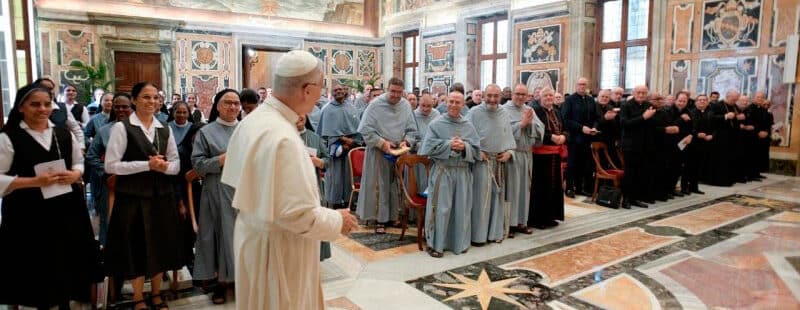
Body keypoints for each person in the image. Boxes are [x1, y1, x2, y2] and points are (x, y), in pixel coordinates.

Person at [220, 50, 358, 310]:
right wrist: (338, 220)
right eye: (321, 85)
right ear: (307, 89)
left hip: (255, 239)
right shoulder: (283, 137)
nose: (321, 93)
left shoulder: (254, 120)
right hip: (280, 252)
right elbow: (296, 215)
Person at [0, 84, 102, 309]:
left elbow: (78, 161)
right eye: (35, 104)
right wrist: (34, 182)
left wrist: (75, 173)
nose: (42, 109)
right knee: (36, 262)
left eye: (47, 104)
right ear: (21, 107)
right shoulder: (9, 138)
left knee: (64, 259)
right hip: (27, 212)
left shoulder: (62, 133)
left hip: (65, 207)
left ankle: (63, 300)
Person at [104, 81, 184, 310]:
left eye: (155, 97)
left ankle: (157, 292)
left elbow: (176, 164)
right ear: (134, 100)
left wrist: (163, 168)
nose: (151, 102)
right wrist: (146, 165)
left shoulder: (164, 128)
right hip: (133, 198)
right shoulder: (123, 128)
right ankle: (138, 296)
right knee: (137, 247)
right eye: (146, 97)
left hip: (162, 196)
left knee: (161, 244)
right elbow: (111, 166)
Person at [191, 89, 241, 304]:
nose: (233, 107)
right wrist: (221, 160)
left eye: (236, 103)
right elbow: (198, 165)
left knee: (243, 238)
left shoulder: (246, 130)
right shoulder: (206, 132)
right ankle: (220, 284)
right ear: (217, 106)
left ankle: (242, 281)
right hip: (217, 191)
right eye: (227, 103)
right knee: (219, 236)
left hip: (245, 191)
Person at [418, 91, 480, 257]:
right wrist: (449, 145)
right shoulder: (436, 124)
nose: (453, 105)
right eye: (451, 101)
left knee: (461, 208)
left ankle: (458, 243)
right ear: (446, 103)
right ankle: (436, 244)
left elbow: (477, 151)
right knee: (441, 209)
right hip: (443, 171)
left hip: (462, 172)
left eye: (457, 102)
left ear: (463, 105)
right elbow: (427, 148)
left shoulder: (468, 125)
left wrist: (464, 147)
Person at [356, 77, 418, 234]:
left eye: (399, 92)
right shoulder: (375, 105)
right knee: (379, 185)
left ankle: (393, 216)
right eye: (393, 91)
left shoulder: (405, 105)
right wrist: (383, 144)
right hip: (379, 152)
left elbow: (412, 130)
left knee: (394, 186)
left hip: (398, 153)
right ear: (387, 89)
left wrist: (406, 142)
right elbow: (365, 130)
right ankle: (378, 219)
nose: (396, 95)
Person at [467, 84, 516, 244]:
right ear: (483, 95)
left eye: (496, 96)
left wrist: (509, 153)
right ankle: (478, 236)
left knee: (496, 199)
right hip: (481, 163)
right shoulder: (473, 113)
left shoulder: (504, 113)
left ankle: (494, 233)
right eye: (489, 95)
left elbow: (509, 138)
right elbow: (465, 136)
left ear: (500, 96)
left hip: (499, 163)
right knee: (480, 201)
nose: (492, 99)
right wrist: (476, 152)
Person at [86, 93, 134, 246]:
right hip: (111, 183)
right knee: (110, 221)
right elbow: (91, 156)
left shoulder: (141, 128)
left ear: (131, 108)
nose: (121, 109)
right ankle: (110, 257)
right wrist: (107, 171)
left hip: (136, 183)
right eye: (117, 106)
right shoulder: (105, 130)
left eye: (124, 106)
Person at [503, 84, 543, 236]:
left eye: (523, 94)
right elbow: (502, 131)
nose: (520, 97)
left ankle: (522, 222)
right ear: (512, 94)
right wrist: (521, 125)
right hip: (513, 154)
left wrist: (531, 124)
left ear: (528, 96)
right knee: (512, 189)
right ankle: (509, 224)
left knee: (524, 190)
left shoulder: (529, 110)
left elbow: (541, 129)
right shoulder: (504, 110)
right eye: (517, 93)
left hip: (527, 155)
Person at [318, 82, 363, 208]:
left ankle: (349, 200)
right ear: (332, 93)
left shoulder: (351, 108)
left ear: (344, 91)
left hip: (350, 148)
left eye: (340, 89)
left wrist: (351, 142)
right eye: (335, 90)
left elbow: (357, 128)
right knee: (335, 177)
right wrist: (342, 140)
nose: (338, 91)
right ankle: (335, 201)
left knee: (349, 176)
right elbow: (326, 133)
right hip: (334, 148)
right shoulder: (327, 109)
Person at [530, 87, 568, 228]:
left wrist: (563, 136)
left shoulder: (557, 112)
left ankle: (551, 216)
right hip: (541, 157)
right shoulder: (536, 111)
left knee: (554, 186)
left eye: (550, 95)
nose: (548, 98)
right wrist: (551, 137)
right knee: (541, 187)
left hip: (555, 155)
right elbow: (535, 132)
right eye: (545, 96)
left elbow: (565, 128)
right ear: (540, 97)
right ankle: (538, 219)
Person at [296, 114, 331, 261]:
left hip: (313, 187)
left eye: (302, 114)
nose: (299, 117)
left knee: (316, 221)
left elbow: (328, 160)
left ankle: (316, 256)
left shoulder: (314, 137)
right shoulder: (284, 135)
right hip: (293, 189)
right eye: (296, 114)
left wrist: (319, 162)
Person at [560, 77, 599, 198]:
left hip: (588, 138)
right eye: (580, 84)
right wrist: (581, 128)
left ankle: (580, 188)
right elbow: (565, 120)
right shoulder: (570, 100)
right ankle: (570, 188)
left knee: (585, 164)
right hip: (575, 138)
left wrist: (594, 127)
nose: (582, 86)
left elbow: (596, 117)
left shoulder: (591, 100)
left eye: (584, 84)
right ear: (576, 86)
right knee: (572, 164)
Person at [620, 85, 656, 208]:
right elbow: (624, 123)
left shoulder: (648, 106)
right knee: (629, 173)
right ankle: (625, 199)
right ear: (634, 93)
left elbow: (651, 126)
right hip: (630, 145)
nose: (641, 95)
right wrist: (643, 117)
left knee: (640, 173)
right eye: (639, 92)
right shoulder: (626, 105)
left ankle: (635, 198)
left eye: (643, 93)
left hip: (644, 145)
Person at [34, 78, 86, 149]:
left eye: (51, 88)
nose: (48, 91)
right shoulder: (30, 109)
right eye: (44, 88)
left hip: (61, 148)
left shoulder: (63, 108)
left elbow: (75, 128)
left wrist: (81, 147)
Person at [706, 90, 740, 186]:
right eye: (733, 99)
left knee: (729, 160)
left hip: (731, 138)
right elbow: (711, 119)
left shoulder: (734, 106)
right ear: (728, 96)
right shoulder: (717, 105)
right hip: (720, 138)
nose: (735, 101)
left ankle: (728, 179)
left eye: (736, 100)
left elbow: (737, 118)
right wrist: (725, 116)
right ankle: (718, 181)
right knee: (720, 160)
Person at [413, 93, 440, 190]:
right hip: (417, 156)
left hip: (433, 156)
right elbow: (410, 137)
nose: (425, 109)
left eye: (429, 106)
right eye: (423, 106)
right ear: (418, 104)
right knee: (418, 186)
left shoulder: (436, 115)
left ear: (433, 105)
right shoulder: (413, 115)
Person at [688, 94, 712, 193]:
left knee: (699, 166)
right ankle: (686, 188)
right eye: (700, 100)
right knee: (691, 166)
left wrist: (712, 135)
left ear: (707, 102)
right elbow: (689, 128)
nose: (702, 101)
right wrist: (697, 134)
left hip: (705, 143)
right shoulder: (691, 113)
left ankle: (695, 187)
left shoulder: (710, 113)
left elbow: (714, 127)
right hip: (693, 143)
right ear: (696, 102)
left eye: (704, 100)